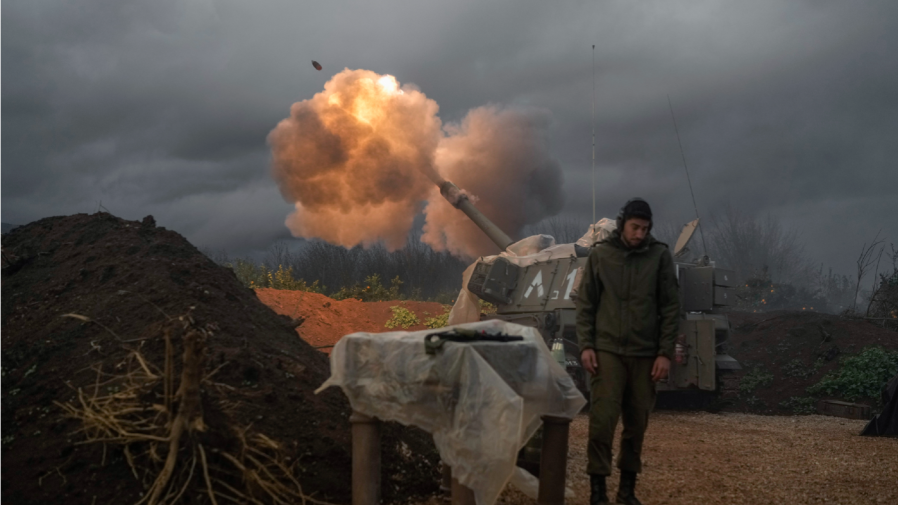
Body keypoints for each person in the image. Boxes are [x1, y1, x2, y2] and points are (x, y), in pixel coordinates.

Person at [575, 198, 680, 505]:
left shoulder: (659, 256)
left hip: (645, 353)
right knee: (602, 421)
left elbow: (670, 307)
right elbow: (586, 304)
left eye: (645, 229)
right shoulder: (601, 255)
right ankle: (598, 492)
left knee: (636, 424)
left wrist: (664, 353)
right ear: (622, 225)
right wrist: (586, 345)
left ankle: (627, 491)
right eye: (634, 227)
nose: (639, 234)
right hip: (607, 349)